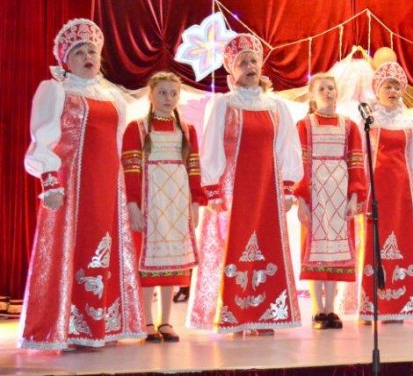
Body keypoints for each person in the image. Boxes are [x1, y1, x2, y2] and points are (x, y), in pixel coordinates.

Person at [19, 18, 144, 349]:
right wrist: (50, 182)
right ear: (66, 60)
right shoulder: (56, 90)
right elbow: (43, 138)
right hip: (72, 186)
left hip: (108, 185)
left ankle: (103, 325)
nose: (88, 56)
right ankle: (71, 328)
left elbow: (118, 142)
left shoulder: (113, 96)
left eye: (92, 51)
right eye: (79, 52)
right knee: (74, 245)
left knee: (105, 244)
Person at [188, 34, 303, 335]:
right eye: (243, 62)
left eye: (254, 61)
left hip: (267, 189)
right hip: (233, 190)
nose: (250, 66)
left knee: (267, 244)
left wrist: (287, 187)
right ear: (232, 70)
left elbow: (287, 147)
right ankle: (234, 314)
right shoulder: (224, 104)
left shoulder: (276, 106)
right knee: (233, 245)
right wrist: (212, 190)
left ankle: (264, 314)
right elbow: (211, 145)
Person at [122, 71, 204, 343]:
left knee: (173, 264)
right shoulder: (137, 128)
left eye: (173, 93)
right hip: (151, 202)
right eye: (162, 93)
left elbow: (194, 168)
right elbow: (130, 169)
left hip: (177, 203)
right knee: (148, 264)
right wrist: (133, 205)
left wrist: (195, 203)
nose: (168, 98)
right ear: (151, 95)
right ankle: (146, 320)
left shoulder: (187, 130)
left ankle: (166, 321)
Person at [358, 62, 413, 322]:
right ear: (377, 90)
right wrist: (360, 190)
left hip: (404, 190)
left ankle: (399, 305)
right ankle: (371, 305)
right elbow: (361, 156)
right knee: (374, 243)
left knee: (402, 241)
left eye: (396, 87)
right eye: (387, 86)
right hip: (377, 190)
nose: (392, 91)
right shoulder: (368, 120)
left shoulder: (410, 122)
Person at [295, 73, 367, 330]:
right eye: (322, 89)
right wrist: (301, 200)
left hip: (339, 194)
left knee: (336, 250)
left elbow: (356, 163)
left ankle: (331, 308)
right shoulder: (304, 125)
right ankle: (318, 309)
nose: (328, 93)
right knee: (315, 249)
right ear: (312, 96)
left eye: (331, 88)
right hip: (315, 193)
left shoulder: (349, 126)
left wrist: (354, 197)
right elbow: (300, 164)